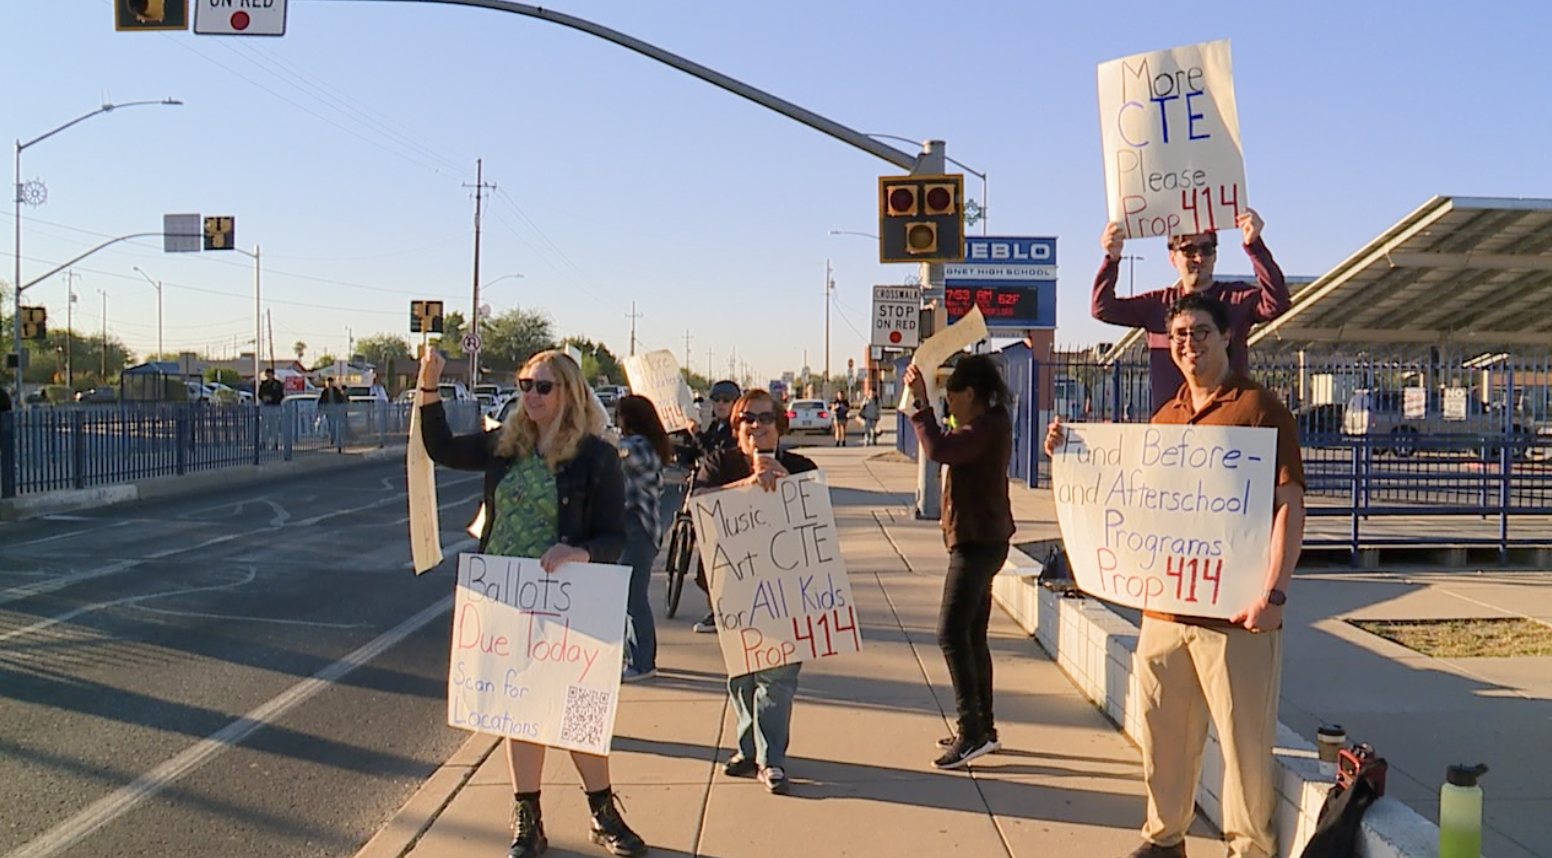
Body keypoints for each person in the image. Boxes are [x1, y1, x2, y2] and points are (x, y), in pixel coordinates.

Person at [1046, 293, 1306, 858]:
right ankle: (1165, 838)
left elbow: (1289, 504)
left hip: (1236, 616)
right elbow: (1136, 496)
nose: (1191, 344)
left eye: (1202, 332)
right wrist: (1072, 452)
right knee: (1163, 737)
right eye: (1180, 335)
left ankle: (1248, 848)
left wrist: (1274, 592)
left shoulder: (1260, 409)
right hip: (1164, 612)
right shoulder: (1166, 415)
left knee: (1243, 745)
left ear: (1228, 336)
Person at [417, 348, 647, 858]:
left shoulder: (595, 456)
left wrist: (580, 552)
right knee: (520, 711)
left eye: (543, 386)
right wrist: (429, 388)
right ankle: (528, 817)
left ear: (568, 392)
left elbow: (616, 534)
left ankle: (603, 811)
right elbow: (442, 449)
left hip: (567, 599)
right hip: (507, 598)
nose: (531, 395)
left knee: (576, 714)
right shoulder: (506, 444)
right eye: (525, 384)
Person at [695, 389, 817, 795]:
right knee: (742, 676)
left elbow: (817, 522)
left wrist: (783, 482)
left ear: (780, 425)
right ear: (736, 427)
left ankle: (771, 760)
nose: (756, 425)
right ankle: (748, 749)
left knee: (778, 679)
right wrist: (750, 483)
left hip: (785, 591)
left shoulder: (802, 467)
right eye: (747, 418)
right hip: (734, 586)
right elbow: (700, 505)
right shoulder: (719, 463)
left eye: (765, 418)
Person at [903, 355, 1015, 770]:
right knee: (971, 635)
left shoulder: (985, 428)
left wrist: (920, 406)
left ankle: (972, 734)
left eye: (950, 392)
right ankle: (982, 727)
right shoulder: (988, 424)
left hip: (978, 542)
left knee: (950, 634)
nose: (946, 401)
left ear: (970, 393)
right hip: (982, 539)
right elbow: (948, 442)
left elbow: (938, 449)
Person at [1091, 209, 1289, 415]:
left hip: (1228, 423)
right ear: (1172, 257)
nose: (1198, 257)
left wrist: (1254, 245)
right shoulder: (1157, 304)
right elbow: (1102, 308)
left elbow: (1278, 302)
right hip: (1171, 423)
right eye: (1188, 250)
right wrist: (1112, 258)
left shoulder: (1236, 297)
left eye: (1207, 249)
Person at [615, 394, 672, 682]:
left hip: (637, 528)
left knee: (633, 598)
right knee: (630, 597)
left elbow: (615, 452)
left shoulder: (637, 447)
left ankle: (643, 661)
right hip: (642, 529)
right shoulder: (652, 445)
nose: (616, 419)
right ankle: (635, 655)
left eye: (619, 414)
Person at [688, 379, 740, 633]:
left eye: (726, 400)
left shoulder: (735, 430)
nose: (720, 404)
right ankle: (718, 608)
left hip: (726, 501)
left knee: (716, 561)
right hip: (708, 499)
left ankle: (720, 612)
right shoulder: (716, 427)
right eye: (716, 400)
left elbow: (713, 456)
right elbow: (699, 452)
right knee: (707, 560)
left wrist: (696, 434)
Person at [258, 368, 285, 449]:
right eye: (267, 374)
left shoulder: (277, 384)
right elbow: (259, 394)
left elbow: (281, 395)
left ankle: (275, 443)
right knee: (264, 425)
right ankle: (263, 442)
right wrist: (264, 397)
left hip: (275, 406)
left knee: (274, 426)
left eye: (270, 374)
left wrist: (272, 398)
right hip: (266, 406)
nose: (268, 376)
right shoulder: (264, 384)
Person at [318, 376, 348, 448]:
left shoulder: (336, 391)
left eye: (331, 382)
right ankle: (332, 437)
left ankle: (337, 438)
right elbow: (321, 401)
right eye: (328, 382)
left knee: (336, 424)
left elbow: (340, 399)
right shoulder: (325, 392)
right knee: (331, 425)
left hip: (336, 410)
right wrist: (321, 409)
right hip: (329, 410)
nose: (329, 384)